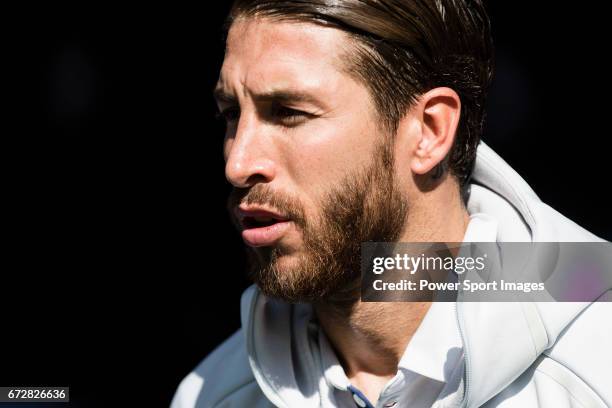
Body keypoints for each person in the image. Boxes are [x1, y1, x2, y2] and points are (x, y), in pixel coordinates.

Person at [172, 1, 611, 407]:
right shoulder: (209, 393)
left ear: (429, 131)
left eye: (288, 111)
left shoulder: (595, 365)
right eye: (231, 113)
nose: (239, 162)